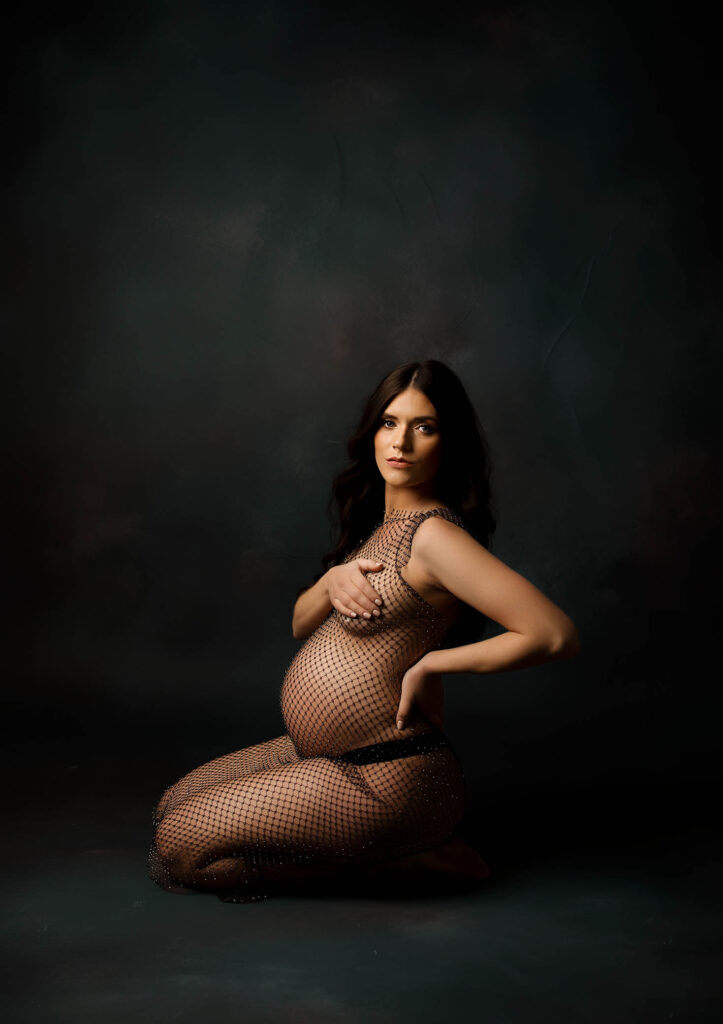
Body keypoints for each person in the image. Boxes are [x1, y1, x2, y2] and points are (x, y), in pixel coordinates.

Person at [148, 359, 580, 903]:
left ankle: (401, 863)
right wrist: (332, 579)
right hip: (323, 758)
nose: (401, 442)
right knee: (173, 803)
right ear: (372, 432)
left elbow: (555, 633)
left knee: (180, 845)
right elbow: (300, 621)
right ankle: (370, 850)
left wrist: (434, 663)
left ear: (449, 443)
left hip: (386, 777)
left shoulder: (433, 538)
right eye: (389, 423)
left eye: (424, 427)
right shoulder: (380, 531)